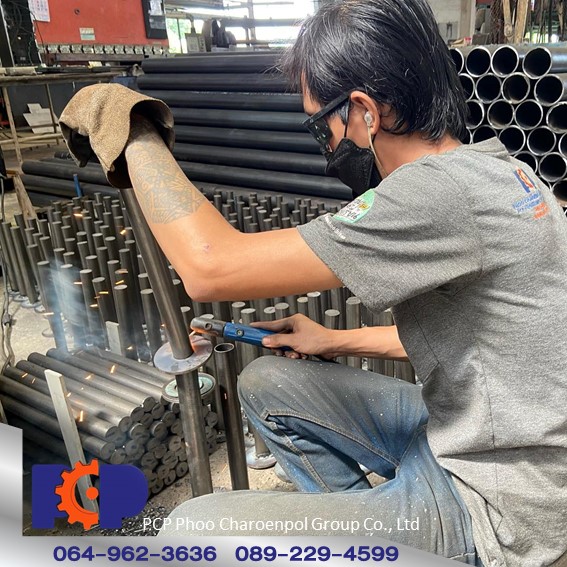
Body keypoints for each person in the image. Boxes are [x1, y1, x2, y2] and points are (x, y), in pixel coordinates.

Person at [58, 0, 567, 565]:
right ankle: (367, 538)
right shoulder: (499, 171)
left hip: (495, 501)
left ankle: (397, 543)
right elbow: (485, 343)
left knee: (192, 528)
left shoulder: (435, 194)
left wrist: (134, 132)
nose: (325, 142)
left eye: (322, 123)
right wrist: (331, 340)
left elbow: (210, 266)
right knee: (268, 383)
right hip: (469, 432)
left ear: (363, 112)